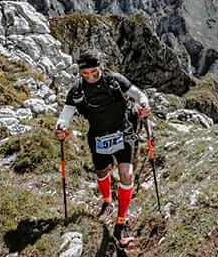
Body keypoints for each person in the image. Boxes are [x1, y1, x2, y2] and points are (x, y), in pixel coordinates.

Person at [55, 49, 151, 248]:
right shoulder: (77, 91)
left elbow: (137, 94)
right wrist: (61, 128)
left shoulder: (114, 80)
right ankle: (107, 199)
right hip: (98, 137)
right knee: (101, 172)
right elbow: (65, 115)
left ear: (100, 67)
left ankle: (121, 222)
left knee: (126, 173)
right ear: (80, 73)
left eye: (94, 72)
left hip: (123, 132)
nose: (90, 77)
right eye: (85, 74)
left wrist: (144, 104)